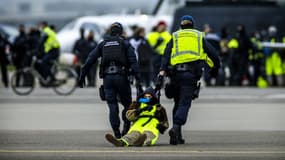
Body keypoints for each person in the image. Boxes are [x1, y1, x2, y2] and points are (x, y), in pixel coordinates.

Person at [158, 15, 220, 145]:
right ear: (193, 25)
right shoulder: (198, 36)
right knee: (184, 103)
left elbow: (166, 54)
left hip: (175, 75)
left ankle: (177, 136)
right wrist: (215, 68)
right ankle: (175, 128)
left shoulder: (175, 36)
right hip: (190, 75)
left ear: (181, 25)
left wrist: (162, 72)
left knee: (177, 102)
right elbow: (213, 53)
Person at [78, 22, 141, 138]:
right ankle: (126, 129)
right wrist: (139, 81)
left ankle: (116, 133)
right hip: (121, 77)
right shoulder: (124, 43)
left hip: (107, 78)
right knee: (127, 105)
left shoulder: (102, 44)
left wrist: (82, 77)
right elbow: (133, 62)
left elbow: (89, 61)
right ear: (121, 32)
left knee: (112, 105)